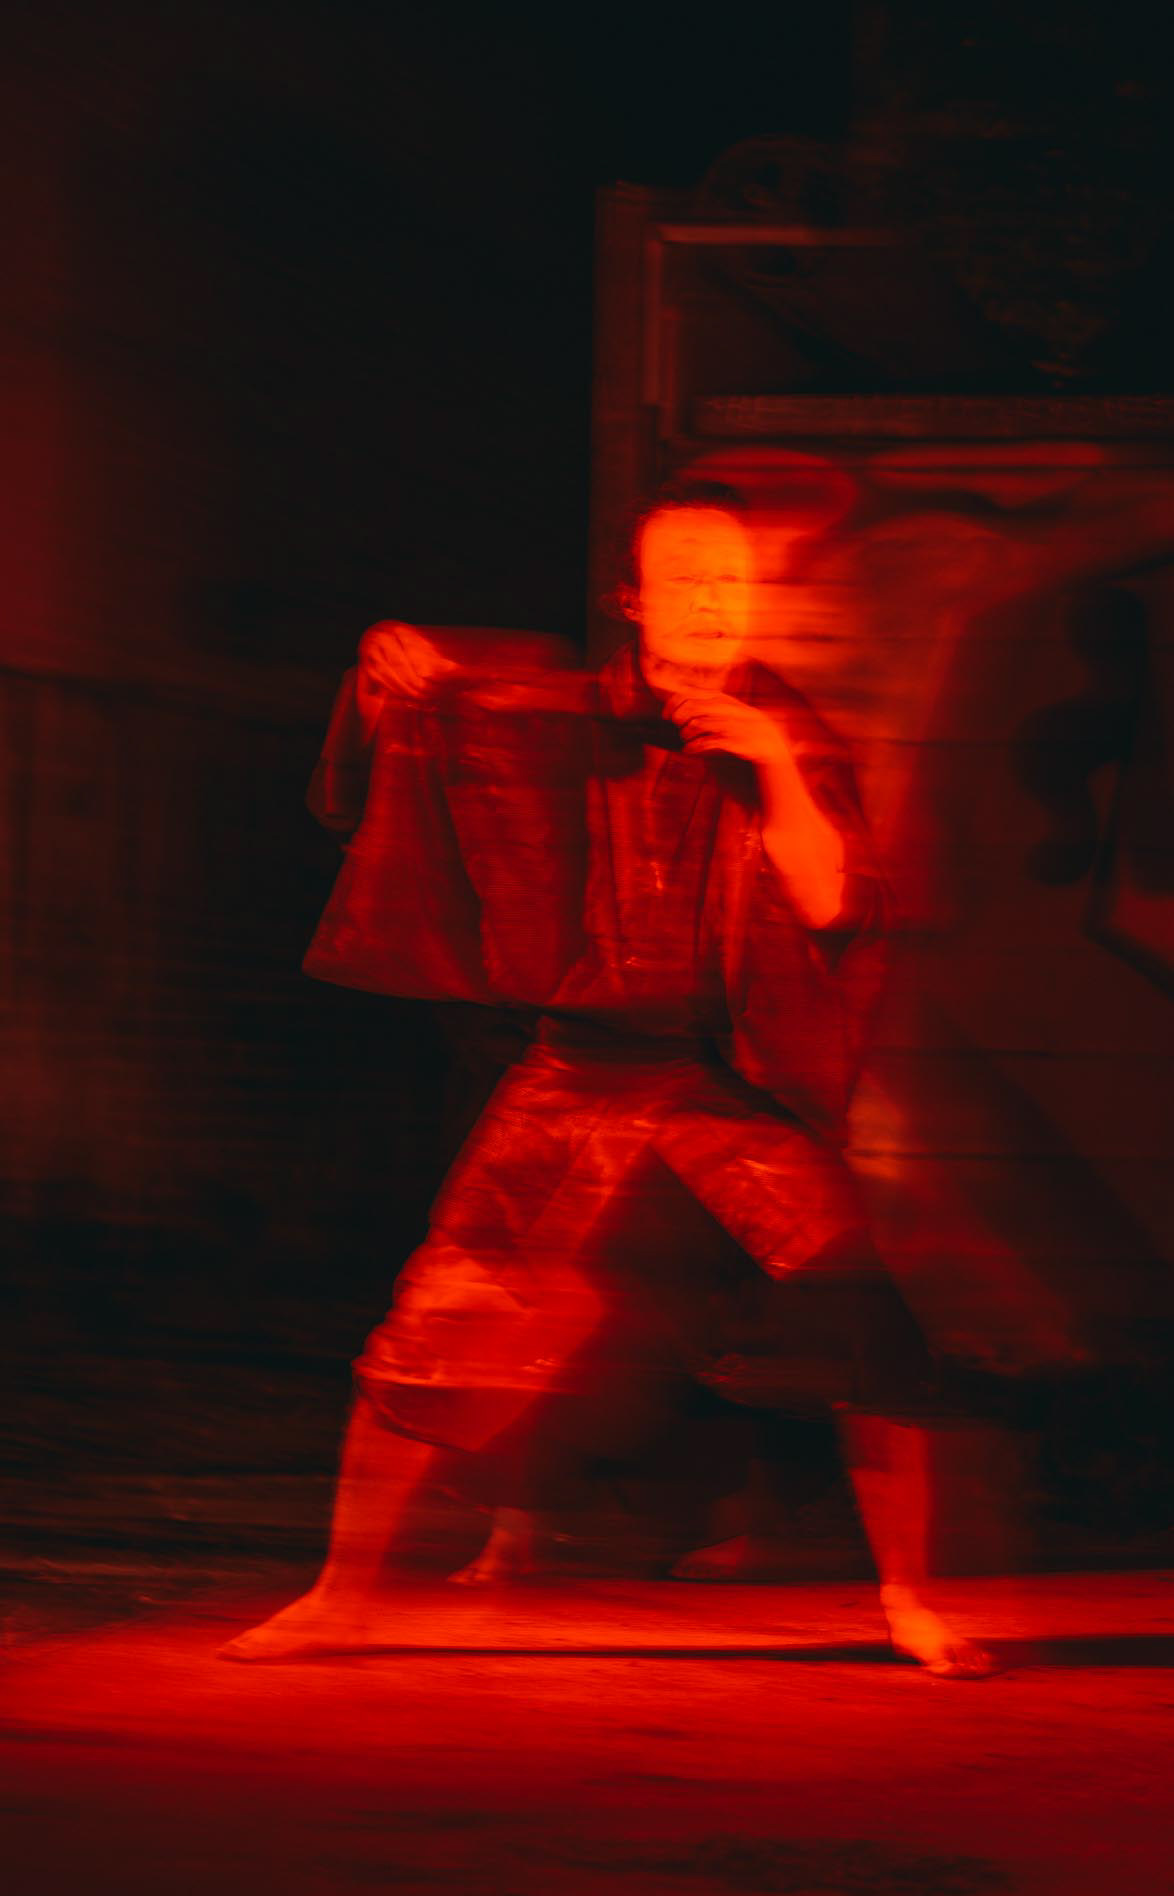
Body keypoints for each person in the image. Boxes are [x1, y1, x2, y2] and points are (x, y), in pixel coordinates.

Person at [222, 476, 993, 1676]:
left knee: (858, 1312)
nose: (709, 600)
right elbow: (419, 740)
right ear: (632, 598)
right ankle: (339, 1593)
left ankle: (909, 1602)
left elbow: (833, 902)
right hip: (577, 1066)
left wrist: (775, 766)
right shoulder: (564, 719)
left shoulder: (788, 730)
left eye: (730, 581)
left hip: (728, 1081)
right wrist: (386, 678)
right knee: (440, 1313)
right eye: (683, 579)